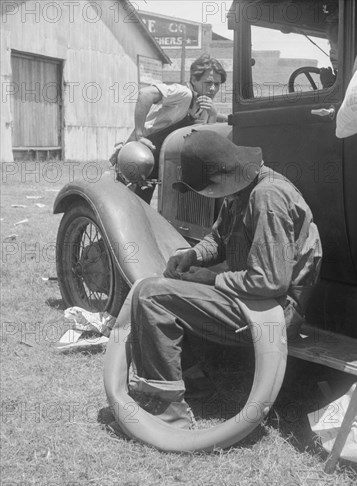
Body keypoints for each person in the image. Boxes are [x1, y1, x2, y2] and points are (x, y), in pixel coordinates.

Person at [125, 130, 323, 429]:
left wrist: (209, 279)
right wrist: (193, 256)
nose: (204, 197)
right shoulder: (242, 186)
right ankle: (193, 382)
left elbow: (270, 281)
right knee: (161, 283)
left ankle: (167, 411)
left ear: (220, 179)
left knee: (153, 296)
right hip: (256, 299)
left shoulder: (267, 197)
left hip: (274, 311)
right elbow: (219, 237)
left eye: (204, 190)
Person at [112, 53, 227, 203]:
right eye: (208, 83)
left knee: (149, 211)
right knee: (127, 207)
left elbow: (204, 142)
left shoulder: (205, 106)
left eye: (217, 84)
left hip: (161, 164)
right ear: (193, 79)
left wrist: (213, 114)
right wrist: (140, 135)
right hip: (139, 157)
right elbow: (145, 94)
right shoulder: (183, 94)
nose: (213, 89)